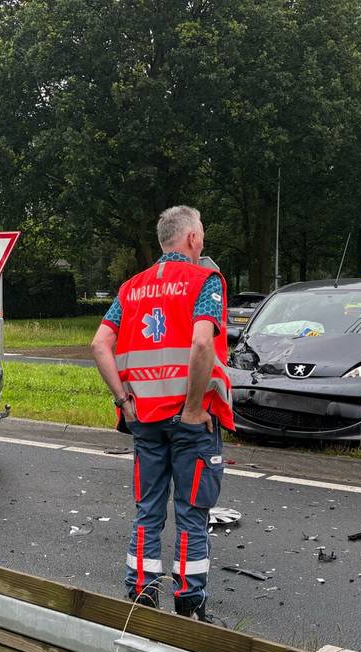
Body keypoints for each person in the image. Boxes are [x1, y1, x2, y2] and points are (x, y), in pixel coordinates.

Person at [90, 205, 232, 622]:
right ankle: (189, 604)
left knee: (148, 509)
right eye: (201, 232)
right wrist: (191, 408)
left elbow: (100, 345)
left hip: (146, 420)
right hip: (191, 423)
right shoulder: (205, 281)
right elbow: (203, 344)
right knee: (191, 512)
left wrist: (124, 401)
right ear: (191, 239)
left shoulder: (131, 288)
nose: (202, 240)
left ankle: (141, 593)